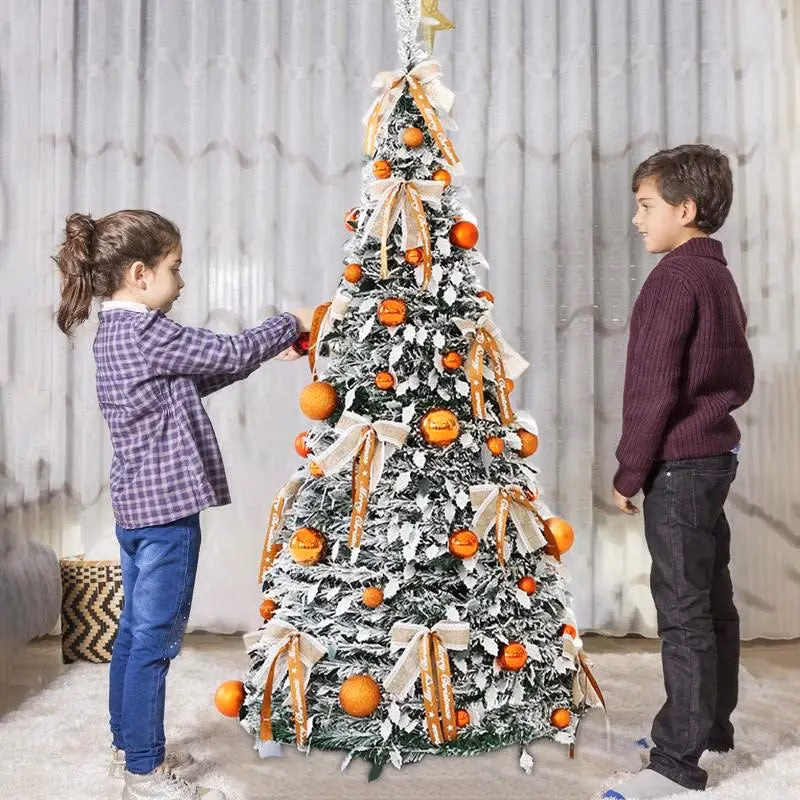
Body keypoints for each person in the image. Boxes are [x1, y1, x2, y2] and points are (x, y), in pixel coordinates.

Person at [53, 209, 313, 800]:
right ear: (140, 274)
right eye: (176, 268)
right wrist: (287, 324)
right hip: (167, 516)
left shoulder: (116, 333)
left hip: (136, 509)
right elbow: (220, 352)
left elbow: (195, 377)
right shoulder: (149, 331)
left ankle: (128, 741)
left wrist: (264, 354)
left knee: (133, 633)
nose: (183, 280)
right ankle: (144, 771)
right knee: (156, 639)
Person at [604, 146, 754, 799]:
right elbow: (736, 375)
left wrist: (629, 471)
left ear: (685, 209)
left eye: (646, 206)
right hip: (715, 458)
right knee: (712, 599)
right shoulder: (716, 276)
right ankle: (709, 724)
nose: (637, 220)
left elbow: (651, 390)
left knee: (684, 608)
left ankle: (676, 760)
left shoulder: (671, 281)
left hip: (681, 466)